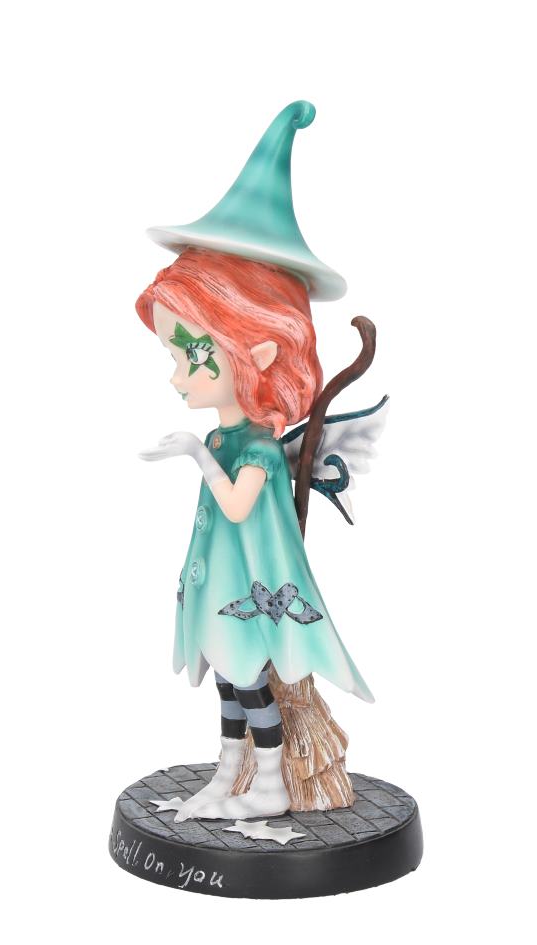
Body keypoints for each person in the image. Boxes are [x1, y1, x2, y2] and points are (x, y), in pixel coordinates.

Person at [137, 247, 373, 821]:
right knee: (228, 684)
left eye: (193, 357)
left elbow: (237, 506)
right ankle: (227, 774)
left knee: (249, 685)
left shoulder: (260, 450)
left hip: (250, 600)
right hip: (221, 594)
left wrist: (194, 454)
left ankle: (269, 785)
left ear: (256, 356)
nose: (177, 376)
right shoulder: (222, 441)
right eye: (175, 357)